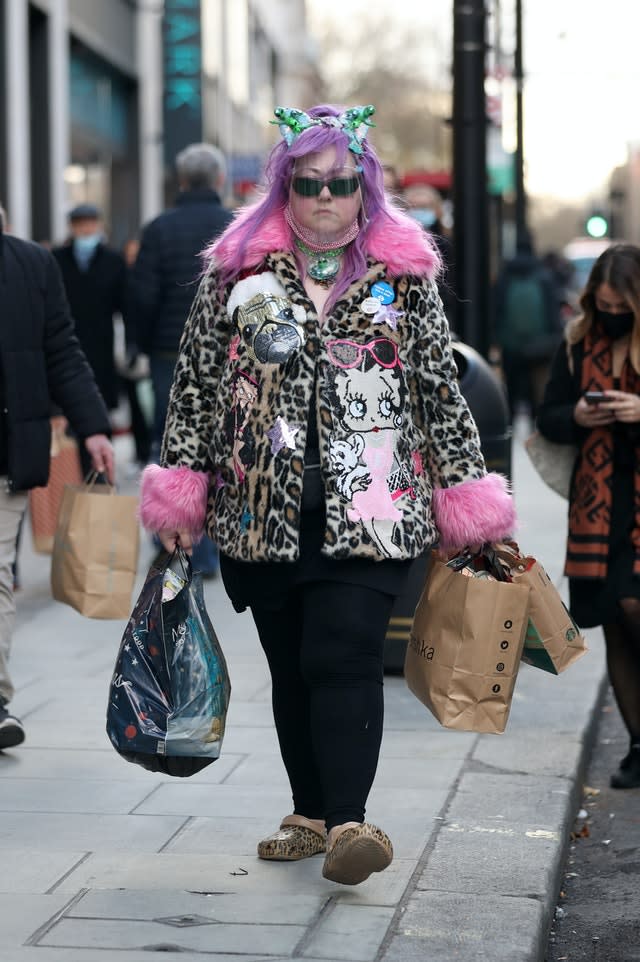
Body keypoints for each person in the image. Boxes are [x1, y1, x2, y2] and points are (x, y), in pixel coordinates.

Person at [139, 104, 516, 885]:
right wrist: (179, 495)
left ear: (364, 188)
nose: (323, 198)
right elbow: (197, 386)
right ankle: (309, 810)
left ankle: (349, 823)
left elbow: (439, 392)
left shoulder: (402, 273)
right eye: (307, 184)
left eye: (340, 184)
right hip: (257, 509)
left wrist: (468, 499)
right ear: (284, 186)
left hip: (375, 506)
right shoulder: (236, 268)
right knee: (292, 664)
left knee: (340, 654)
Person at [0, 206, 114, 750]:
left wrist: (93, 427)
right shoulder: (34, 262)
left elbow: (62, 350)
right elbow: (64, 351)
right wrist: (92, 427)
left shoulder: (31, 265)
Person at [537, 244, 640, 790]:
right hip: (599, 506)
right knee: (617, 627)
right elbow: (549, 415)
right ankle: (638, 746)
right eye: (603, 304)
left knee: (633, 604)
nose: (611, 314)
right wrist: (577, 413)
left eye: (621, 305)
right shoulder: (579, 342)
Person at [130, 142, 232, 576]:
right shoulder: (235, 228)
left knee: (171, 441)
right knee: (222, 442)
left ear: (181, 179)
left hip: (167, 352)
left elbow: (142, 294)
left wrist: (136, 344)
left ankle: (173, 538)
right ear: (220, 180)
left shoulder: (159, 229)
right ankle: (210, 552)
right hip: (227, 355)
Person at [52, 204, 128, 477]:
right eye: (80, 225)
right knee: (67, 413)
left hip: (101, 346)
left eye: (90, 224)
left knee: (99, 407)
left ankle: (97, 471)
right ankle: (70, 474)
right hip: (64, 344)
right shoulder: (56, 259)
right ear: (71, 228)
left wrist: (130, 345)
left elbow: (125, 306)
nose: (86, 230)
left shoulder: (113, 261)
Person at [493, 237, 562, 423]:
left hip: (510, 344)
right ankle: (535, 430)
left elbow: (497, 309)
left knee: (512, 392)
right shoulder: (543, 275)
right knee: (537, 393)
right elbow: (552, 313)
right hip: (538, 346)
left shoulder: (506, 276)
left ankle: (509, 431)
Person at [402, 182, 457, 328]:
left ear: (437, 210)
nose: (420, 212)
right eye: (414, 207)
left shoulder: (447, 244)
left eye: (425, 207)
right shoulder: (398, 243)